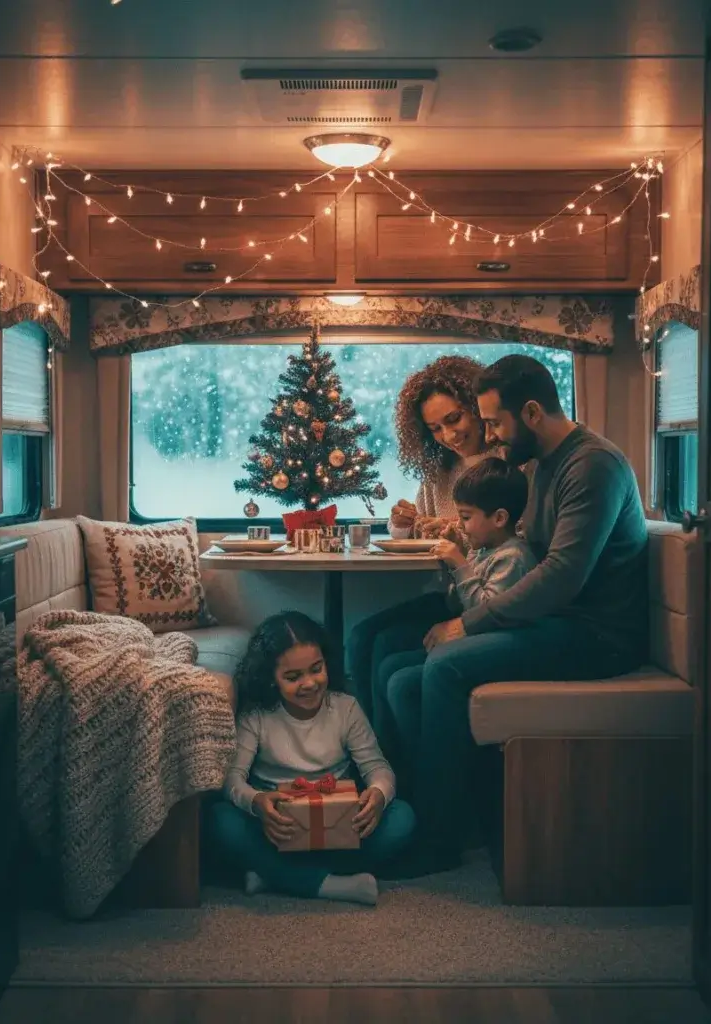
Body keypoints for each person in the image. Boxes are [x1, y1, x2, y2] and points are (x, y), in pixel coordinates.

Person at [386, 354, 649, 876]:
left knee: (445, 665)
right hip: (558, 622)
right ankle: (445, 816)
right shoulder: (548, 463)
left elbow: (561, 576)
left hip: (596, 635)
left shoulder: (591, 466)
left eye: (493, 422)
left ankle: (438, 844)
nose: (489, 434)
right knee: (401, 677)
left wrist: (468, 623)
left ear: (530, 412)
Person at [207, 611, 416, 906]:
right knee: (220, 820)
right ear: (271, 679)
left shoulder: (345, 708)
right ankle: (331, 884)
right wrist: (257, 803)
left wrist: (378, 796)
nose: (309, 684)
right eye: (293, 677)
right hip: (278, 830)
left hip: (338, 827)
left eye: (316, 669)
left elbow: (377, 767)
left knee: (402, 818)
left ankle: (274, 874)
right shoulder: (257, 716)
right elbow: (232, 779)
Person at [372, 456, 537, 793]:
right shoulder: (485, 549)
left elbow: (486, 613)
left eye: (466, 518)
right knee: (390, 664)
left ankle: (425, 779)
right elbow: (457, 603)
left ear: (500, 518)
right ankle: (396, 768)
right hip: (470, 642)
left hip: (494, 651)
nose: (462, 525)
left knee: (402, 682)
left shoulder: (512, 557)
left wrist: (460, 563)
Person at [346, 355, 495, 719]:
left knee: (383, 648)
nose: (449, 436)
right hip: (448, 595)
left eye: (454, 418)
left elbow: (508, 538)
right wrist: (401, 523)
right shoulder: (439, 473)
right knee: (360, 637)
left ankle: (392, 760)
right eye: (435, 429)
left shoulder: (508, 465)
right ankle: (374, 753)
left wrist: (452, 534)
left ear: (477, 407)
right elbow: (413, 531)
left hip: (481, 595)